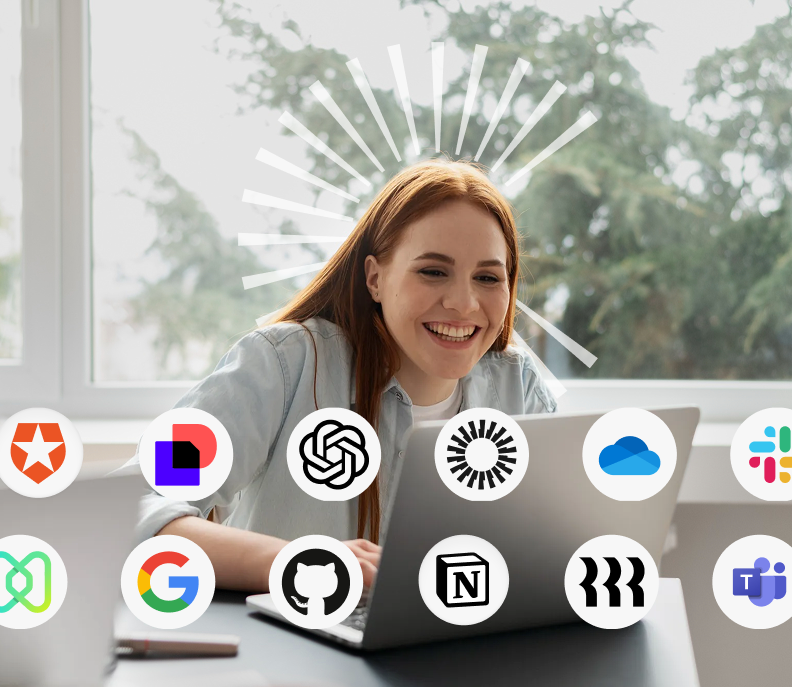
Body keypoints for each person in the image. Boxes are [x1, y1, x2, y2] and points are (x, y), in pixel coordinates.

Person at [128, 160, 558, 593]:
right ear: (375, 277)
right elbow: (132, 507)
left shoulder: (518, 389)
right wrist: (299, 561)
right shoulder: (285, 365)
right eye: (433, 271)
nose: (464, 304)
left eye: (487, 277)